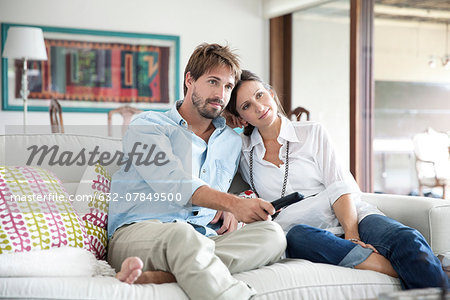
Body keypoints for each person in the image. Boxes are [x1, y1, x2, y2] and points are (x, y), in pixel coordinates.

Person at [225, 69, 450, 290]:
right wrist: (227, 120)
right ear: (241, 117)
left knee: (407, 239)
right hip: (302, 231)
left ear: (271, 94)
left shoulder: (312, 133)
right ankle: (393, 267)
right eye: (246, 106)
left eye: (259, 95)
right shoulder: (242, 151)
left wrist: (351, 234)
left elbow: (338, 186)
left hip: (349, 216)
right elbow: (212, 140)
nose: (258, 106)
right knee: (297, 237)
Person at [107, 45, 286, 300]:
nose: (220, 94)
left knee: (273, 236)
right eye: (213, 82)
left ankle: (164, 276)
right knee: (182, 234)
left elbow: (237, 189)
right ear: (189, 80)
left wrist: (238, 204)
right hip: (138, 234)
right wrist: (231, 203)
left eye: (227, 87)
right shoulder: (148, 126)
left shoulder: (231, 141)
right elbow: (173, 182)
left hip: (203, 238)